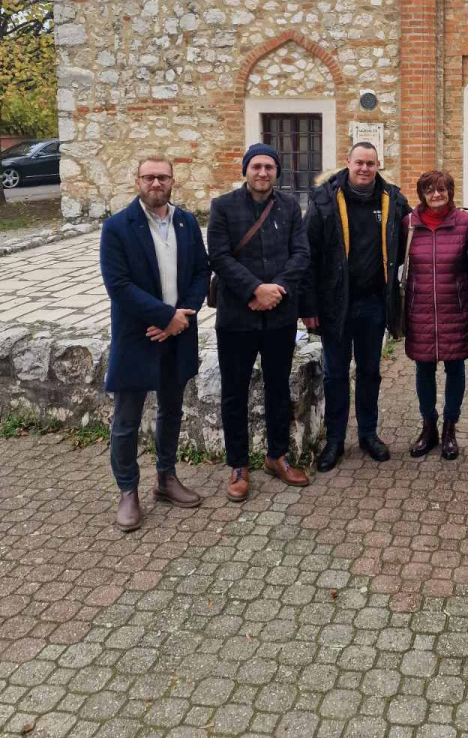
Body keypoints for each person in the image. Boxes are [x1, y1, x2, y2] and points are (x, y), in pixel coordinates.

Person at [99, 155, 210, 532]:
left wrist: (182, 315)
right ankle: (128, 491)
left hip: (179, 333)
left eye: (162, 177)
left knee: (172, 410)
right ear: (137, 181)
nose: (156, 183)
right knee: (127, 420)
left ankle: (166, 478)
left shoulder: (186, 221)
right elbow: (118, 286)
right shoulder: (117, 227)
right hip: (138, 335)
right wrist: (164, 318)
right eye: (149, 177)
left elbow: (200, 271)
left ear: (172, 180)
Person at [207, 143, 313, 501]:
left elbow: (301, 254)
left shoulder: (289, 207)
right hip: (237, 317)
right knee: (234, 392)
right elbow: (219, 257)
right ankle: (238, 465)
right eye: (256, 166)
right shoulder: (223, 207)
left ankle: (277, 455)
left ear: (277, 172)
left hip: (280, 316)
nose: (263, 172)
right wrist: (254, 289)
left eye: (269, 167)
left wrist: (277, 289)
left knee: (277, 388)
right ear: (245, 170)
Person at [304, 142, 410, 471]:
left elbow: (409, 234)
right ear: (348, 163)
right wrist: (308, 305)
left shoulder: (393, 198)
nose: (364, 169)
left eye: (370, 163)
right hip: (335, 304)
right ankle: (335, 439)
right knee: (336, 374)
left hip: (374, 303)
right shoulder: (324, 199)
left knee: (369, 373)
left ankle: (367, 434)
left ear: (379, 165)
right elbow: (308, 255)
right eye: (359, 163)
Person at [402, 169, 468, 461]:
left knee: (455, 369)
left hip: (455, 308)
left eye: (442, 190)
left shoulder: (465, 223)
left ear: (450, 192)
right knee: (423, 370)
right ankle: (428, 426)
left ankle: (450, 428)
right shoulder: (408, 224)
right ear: (421, 194)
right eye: (430, 190)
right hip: (419, 309)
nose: (436, 195)